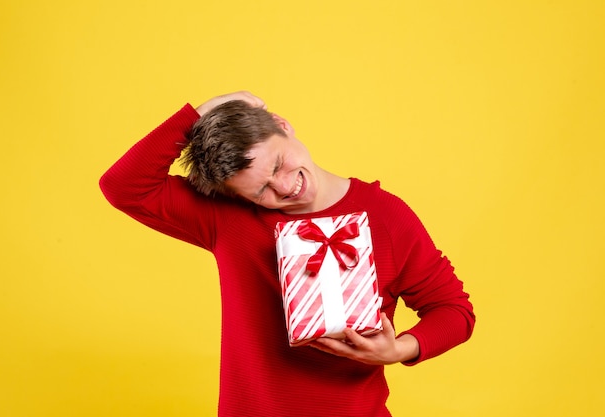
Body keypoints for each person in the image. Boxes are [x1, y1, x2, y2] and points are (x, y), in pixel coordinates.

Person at [100, 91, 475, 417]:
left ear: (281, 125)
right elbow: (123, 187)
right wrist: (202, 113)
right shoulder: (228, 218)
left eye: (278, 163)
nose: (284, 186)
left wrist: (397, 350)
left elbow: (454, 310)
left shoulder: (386, 216)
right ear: (237, 196)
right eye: (261, 189)